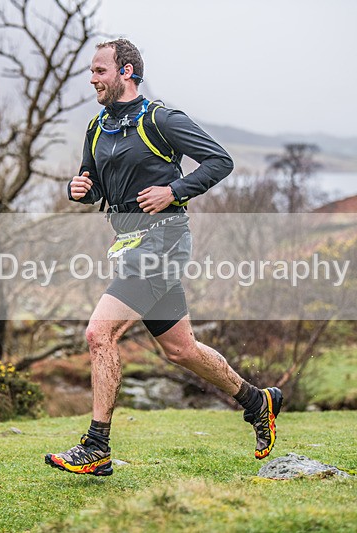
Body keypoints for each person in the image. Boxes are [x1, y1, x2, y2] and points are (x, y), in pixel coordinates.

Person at [44, 39, 282, 477]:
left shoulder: (162, 119)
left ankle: (96, 446)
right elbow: (93, 182)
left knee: (99, 334)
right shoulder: (97, 127)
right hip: (132, 245)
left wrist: (174, 190)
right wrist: (80, 191)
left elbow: (219, 161)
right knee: (181, 349)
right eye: (92, 71)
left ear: (127, 71)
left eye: (99, 71)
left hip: (164, 242)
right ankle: (256, 401)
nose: (92, 78)